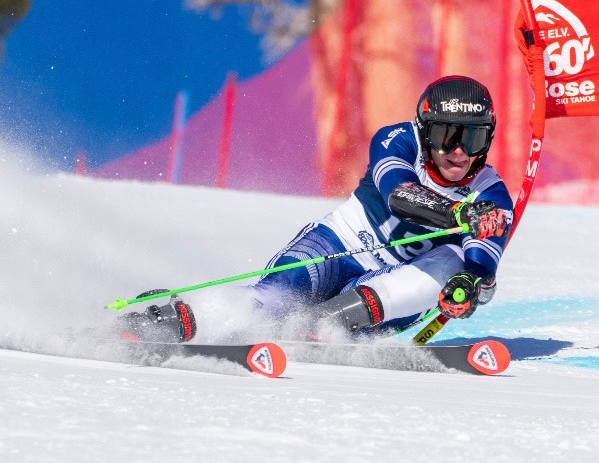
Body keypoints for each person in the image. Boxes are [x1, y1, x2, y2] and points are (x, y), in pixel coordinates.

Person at [118, 75, 513, 343]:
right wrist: (460, 214)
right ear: (425, 131)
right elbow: (399, 193)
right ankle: (174, 321)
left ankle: (331, 325)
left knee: (456, 258)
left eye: (474, 138)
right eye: (447, 136)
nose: (460, 152)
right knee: (274, 299)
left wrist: (470, 285)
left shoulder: (491, 195)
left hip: (394, 289)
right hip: (340, 244)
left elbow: (480, 265)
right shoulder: (396, 139)